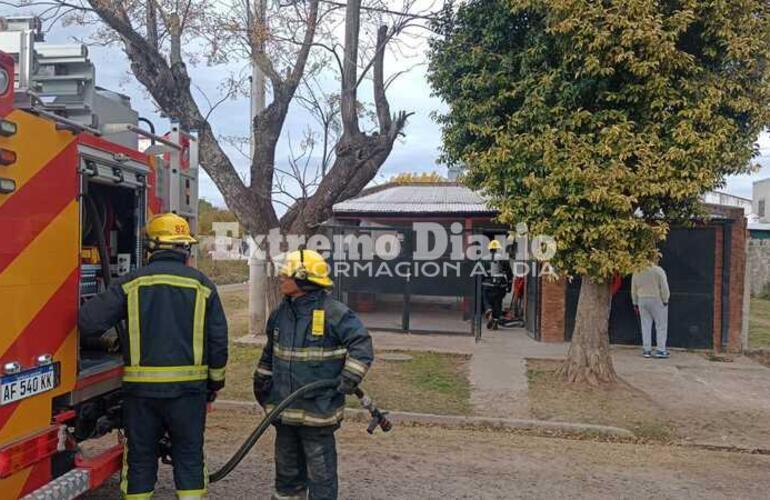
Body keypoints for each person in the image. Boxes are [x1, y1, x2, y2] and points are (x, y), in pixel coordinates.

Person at [79, 213, 228, 500]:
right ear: (184, 248)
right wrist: (213, 387)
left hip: (141, 394)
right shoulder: (203, 286)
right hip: (189, 393)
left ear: (151, 247)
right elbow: (218, 343)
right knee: (189, 456)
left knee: (140, 457)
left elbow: (88, 321)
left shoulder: (131, 283)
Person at [253, 248, 373, 500]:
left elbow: (362, 346)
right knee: (286, 479)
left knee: (321, 478)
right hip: (284, 413)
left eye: (287, 275)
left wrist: (349, 378)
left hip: (318, 414)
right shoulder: (280, 314)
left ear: (304, 280)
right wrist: (262, 381)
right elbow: (269, 353)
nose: (281, 278)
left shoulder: (334, 313)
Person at [631, 261, 670, 359]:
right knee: (661, 325)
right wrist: (665, 299)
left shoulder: (637, 271)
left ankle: (646, 350)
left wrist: (635, 302)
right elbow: (664, 287)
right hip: (656, 299)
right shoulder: (658, 270)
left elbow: (633, 289)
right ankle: (660, 350)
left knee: (645, 325)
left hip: (642, 299)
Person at [482, 239, 512, 329]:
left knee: (486, 299)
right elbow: (509, 273)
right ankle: (495, 320)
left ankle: (489, 310)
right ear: (497, 249)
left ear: (489, 249)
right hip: (500, 286)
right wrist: (509, 285)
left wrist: (480, 283)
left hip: (487, 285)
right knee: (498, 303)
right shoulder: (503, 259)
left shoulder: (484, 259)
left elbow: (480, 273)